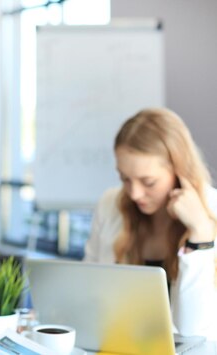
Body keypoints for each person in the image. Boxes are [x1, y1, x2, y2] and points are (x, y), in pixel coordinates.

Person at [84, 108, 217, 340]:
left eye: (149, 182)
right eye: (125, 178)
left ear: (179, 171)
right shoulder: (110, 204)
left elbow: (192, 330)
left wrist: (201, 233)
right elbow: (88, 289)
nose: (134, 193)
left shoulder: (211, 210)